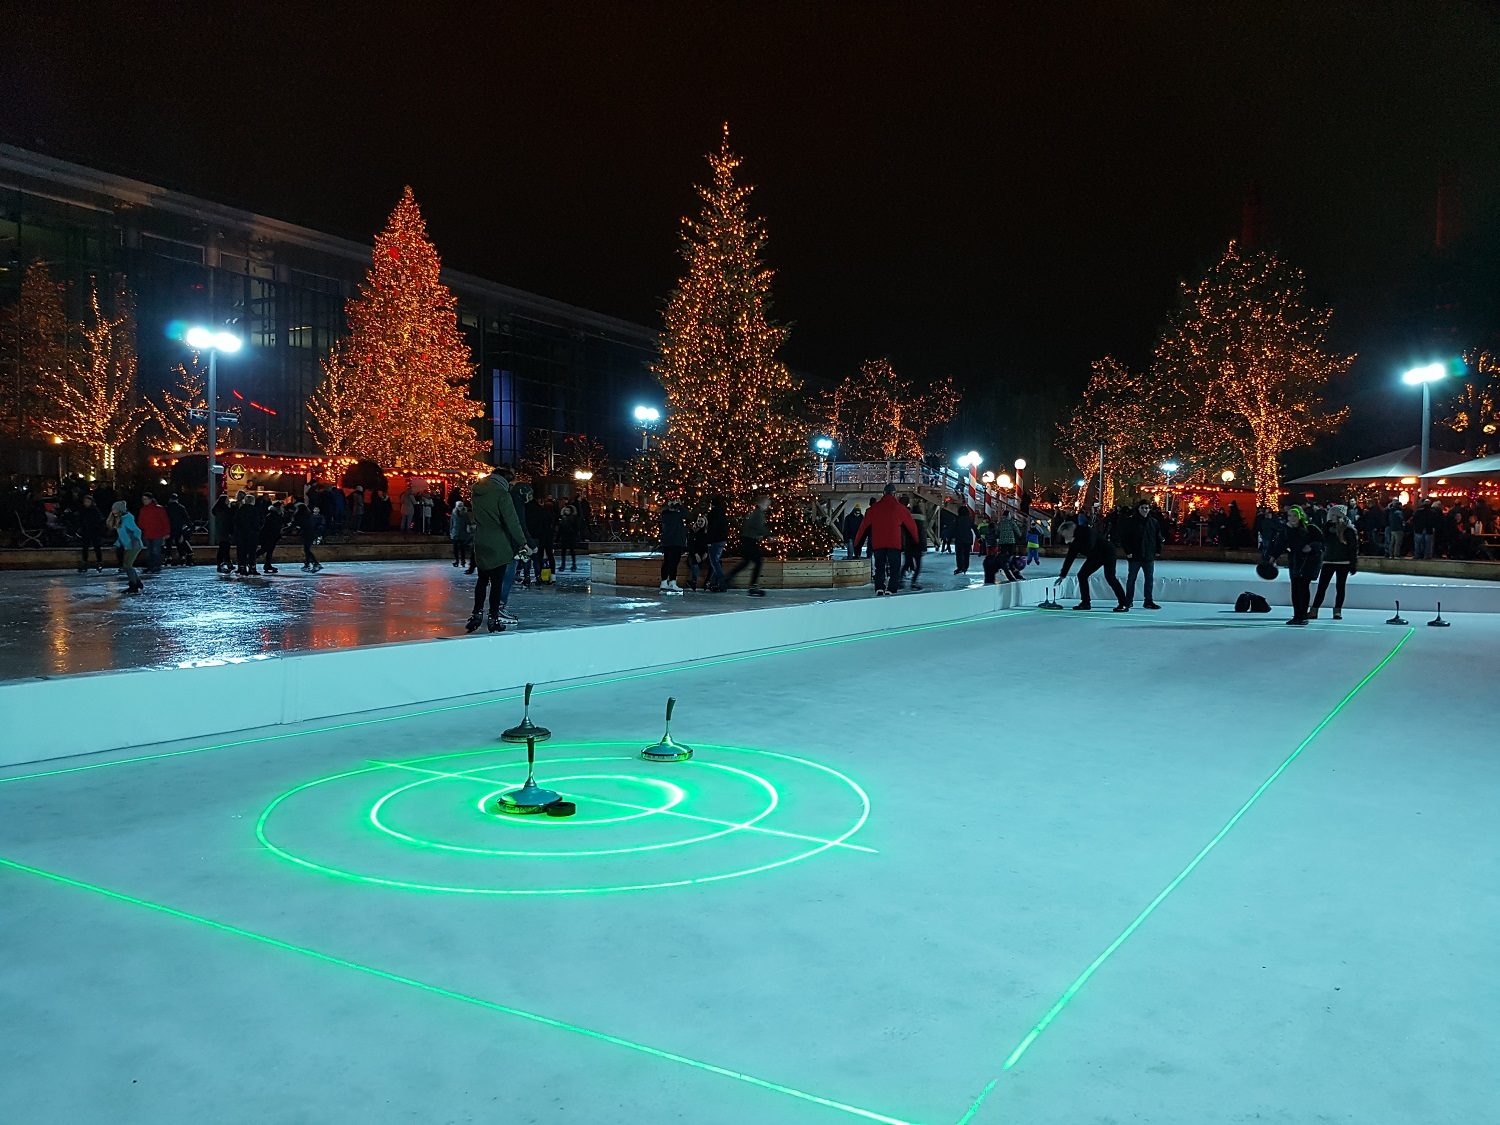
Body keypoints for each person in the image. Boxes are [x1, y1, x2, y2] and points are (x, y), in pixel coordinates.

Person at [467, 464, 529, 632]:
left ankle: (476, 613)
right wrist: (523, 542)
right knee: (496, 583)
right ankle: (493, 618)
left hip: (481, 541)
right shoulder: (502, 494)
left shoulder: (477, 492)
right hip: (498, 543)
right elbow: (512, 522)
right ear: (504, 481)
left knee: (481, 580)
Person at [853, 484, 920, 596]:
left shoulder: (873, 509)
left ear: (883, 493)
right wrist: (916, 541)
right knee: (894, 567)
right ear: (894, 494)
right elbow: (911, 526)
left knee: (879, 566)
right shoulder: (901, 509)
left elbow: (863, 527)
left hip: (878, 543)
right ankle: (891, 588)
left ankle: (879, 587)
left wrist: (857, 543)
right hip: (894, 543)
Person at [1061, 520, 1127, 611]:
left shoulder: (1086, 531)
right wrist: (1063, 574)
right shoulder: (1074, 539)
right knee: (1082, 575)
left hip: (1108, 552)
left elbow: (1089, 546)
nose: (1064, 537)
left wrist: (1074, 542)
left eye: (1064, 534)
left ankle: (1123, 603)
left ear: (1070, 530)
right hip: (1095, 556)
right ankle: (1085, 603)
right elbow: (1070, 557)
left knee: (1110, 577)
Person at [1309, 503, 1358, 620]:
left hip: (1341, 562)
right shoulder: (1328, 528)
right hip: (1329, 561)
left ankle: (1336, 611)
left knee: (1338, 587)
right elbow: (1323, 541)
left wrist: (1353, 563)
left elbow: (1353, 548)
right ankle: (1315, 610)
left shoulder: (1348, 530)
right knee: (1323, 587)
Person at [1280, 504, 1324, 625]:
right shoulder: (1287, 530)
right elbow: (1280, 544)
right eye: (1289, 515)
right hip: (1295, 562)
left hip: (1308, 562)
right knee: (1295, 588)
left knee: (1303, 587)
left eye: (1294, 515)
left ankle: (1302, 615)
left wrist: (1311, 547)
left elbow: (1321, 542)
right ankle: (1298, 614)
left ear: (1300, 516)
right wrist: (1272, 558)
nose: (1292, 518)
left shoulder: (1311, 528)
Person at [724, 492, 772, 596]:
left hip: (747, 540)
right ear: (762, 503)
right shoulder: (758, 514)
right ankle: (753, 586)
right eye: (767, 504)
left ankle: (729, 577)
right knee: (758, 561)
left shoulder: (754, 513)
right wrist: (768, 536)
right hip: (750, 541)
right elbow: (759, 527)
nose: (767, 506)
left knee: (746, 562)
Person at [1120, 499, 1164, 610]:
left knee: (1149, 579)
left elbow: (1157, 537)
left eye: (1147, 508)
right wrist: (1128, 551)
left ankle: (1148, 601)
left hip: (1149, 555)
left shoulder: (1153, 522)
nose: (1145, 510)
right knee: (1131, 579)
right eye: (1143, 508)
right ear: (1138, 509)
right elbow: (1125, 538)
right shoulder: (1131, 522)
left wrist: (1158, 550)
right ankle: (1128, 600)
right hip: (1135, 555)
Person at [112, 500, 144, 595]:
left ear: (119, 510)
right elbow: (122, 535)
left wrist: (134, 540)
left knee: (127, 565)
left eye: (114, 509)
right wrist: (117, 544)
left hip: (134, 545)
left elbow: (137, 531)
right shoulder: (120, 519)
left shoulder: (127, 519)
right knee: (127, 565)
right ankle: (137, 582)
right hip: (129, 546)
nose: (112, 510)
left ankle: (134, 585)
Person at [657, 497, 688, 594]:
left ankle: (664, 582)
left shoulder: (665, 515)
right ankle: (672, 582)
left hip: (667, 542)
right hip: (676, 542)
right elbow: (687, 515)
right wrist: (680, 505)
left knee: (667, 561)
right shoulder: (677, 515)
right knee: (674, 562)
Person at [137, 492, 171, 574]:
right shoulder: (143, 510)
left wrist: (166, 532)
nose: (144, 501)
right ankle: (150, 566)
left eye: (145, 499)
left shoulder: (159, 509)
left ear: (150, 499)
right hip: (147, 533)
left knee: (155, 551)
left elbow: (165, 521)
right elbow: (140, 522)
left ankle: (156, 566)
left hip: (157, 534)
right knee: (149, 551)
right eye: (143, 499)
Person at [232, 489, 262, 576]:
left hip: (241, 535)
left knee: (242, 552)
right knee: (252, 552)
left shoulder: (241, 510)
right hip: (252, 535)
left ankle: (242, 568)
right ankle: (252, 568)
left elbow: (236, 522)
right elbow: (258, 522)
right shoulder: (255, 510)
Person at [705, 495, 729, 592]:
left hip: (715, 540)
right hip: (722, 540)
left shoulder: (712, 514)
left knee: (714, 561)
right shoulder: (722, 513)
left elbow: (711, 529)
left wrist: (709, 541)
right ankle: (714, 582)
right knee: (716, 561)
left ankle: (722, 582)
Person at [77, 493, 106, 573]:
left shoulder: (95, 510)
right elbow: (81, 520)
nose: (86, 503)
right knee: (85, 547)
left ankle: (99, 562)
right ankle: (84, 562)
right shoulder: (82, 510)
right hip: (86, 532)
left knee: (97, 547)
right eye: (85, 501)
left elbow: (99, 520)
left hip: (94, 532)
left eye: (88, 501)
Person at [293, 500, 322, 572]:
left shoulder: (300, 516)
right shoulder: (308, 515)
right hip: (311, 533)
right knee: (306, 549)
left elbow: (295, 523)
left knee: (306, 549)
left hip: (307, 534)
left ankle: (315, 563)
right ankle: (307, 564)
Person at [258, 496, 284, 573]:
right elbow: (271, 527)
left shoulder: (276, 515)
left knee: (269, 551)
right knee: (265, 549)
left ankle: (267, 565)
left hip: (272, 536)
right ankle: (250, 560)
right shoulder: (272, 515)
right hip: (268, 536)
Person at [165, 493, 193, 565]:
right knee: (179, 543)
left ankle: (168, 557)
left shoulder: (167, 508)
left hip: (169, 528)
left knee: (168, 543)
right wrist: (190, 526)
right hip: (178, 528)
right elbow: (186, 518)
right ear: (177, 499)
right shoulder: (181, 507)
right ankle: (182, 557)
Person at [686, 513, 711, 591]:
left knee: (714, 563)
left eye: (701, 521)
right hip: (694, 553)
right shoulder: (693, 531)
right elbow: (690, 545)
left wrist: (706, 553)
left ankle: (708, 581)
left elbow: (709, 544)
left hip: (704, 553)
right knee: (694, 562)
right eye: (698, 521)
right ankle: (693, 581)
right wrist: (695, 554)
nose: (700, 523)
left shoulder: (707, 533)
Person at [212, 494, 233, 573]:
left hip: (221, 532)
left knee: (223, 548)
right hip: (225, 532)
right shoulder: (225, 510)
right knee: (224, 548)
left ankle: (225, 563)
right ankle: (223, 563)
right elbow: (227, 522)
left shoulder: (218, 510)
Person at [557, 500, 581, 571]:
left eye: (568, 510)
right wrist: (558, 538)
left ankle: (573, 565)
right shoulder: (563, 519)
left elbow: (576, 528)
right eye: (566, 510)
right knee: (563, 552)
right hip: (564, 537)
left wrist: (575, 534)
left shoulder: (573, 518)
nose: (567, 511)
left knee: (572, 551)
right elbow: (560, 529)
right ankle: (563, 565)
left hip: (571, 537)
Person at [450, 499, 473, 568]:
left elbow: (468, 522)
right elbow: (452, 523)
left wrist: (468, 529)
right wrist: (451, 531)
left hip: (462, 533)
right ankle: (457, 561)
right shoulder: (454, 513)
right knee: (455, 548)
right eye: (458, 506)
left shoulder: (465, 514)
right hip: (455, 533)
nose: (460, 507)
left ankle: (462, 561)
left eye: (461, 506)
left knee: (462, 548)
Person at [952, 504, 975, 574]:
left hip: (959, 539)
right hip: (968, 539)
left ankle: (960, 567)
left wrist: (951, 537)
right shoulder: (969, 519)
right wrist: (979, 537)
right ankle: (965, 567)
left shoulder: (957, 519)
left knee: (959, 554)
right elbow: (975, 528)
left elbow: (953, 529)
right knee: (966, 554)